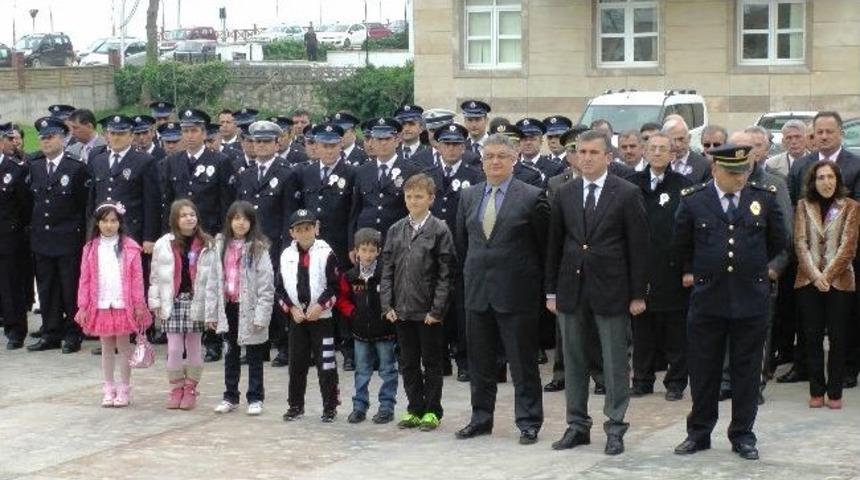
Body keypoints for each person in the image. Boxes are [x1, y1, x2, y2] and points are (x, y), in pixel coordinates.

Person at [673, 144, 786, 461]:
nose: (740, 178)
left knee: (746, 372)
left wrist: (767, 270)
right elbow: (680, 243)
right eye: (732, 173)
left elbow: (780, 242)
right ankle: (699, 433)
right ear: (715, 170)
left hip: (750, 300)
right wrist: (692, 272)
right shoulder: (695, 200)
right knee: (704, 371)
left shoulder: (763, 198)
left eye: (744, 172)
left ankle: (742, 435)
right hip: (708, 299)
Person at [545, 129, 648, 456]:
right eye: (580, 152)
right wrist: (551, 291)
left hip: (612, 290)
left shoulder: (627, 193)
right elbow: (554, 246)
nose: (585, 158)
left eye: (593, 152)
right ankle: (577, 425)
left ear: (608, 157)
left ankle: (615, 426)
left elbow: (639, 247)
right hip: (572, 289)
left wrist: (637, 294)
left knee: (614, 361)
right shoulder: (565, 192)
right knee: (573, 360)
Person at [454, 134, 549, 446]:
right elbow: (463, 244)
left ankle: (529, 421)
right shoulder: (469, 196)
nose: (495, 162)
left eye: (501, 157)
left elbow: (542, 248)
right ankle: (481, 418)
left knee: (522, 363)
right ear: (481, 162)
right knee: (480, 362)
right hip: (478, 292)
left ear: (514, 159)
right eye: (489, 156)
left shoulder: (532, 196)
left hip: (516, 294)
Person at [380, 173, 456, 432]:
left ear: (431, 199)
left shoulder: (439, 229)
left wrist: (437, 309)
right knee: (408, 363)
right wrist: (386, 305)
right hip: (401, 310)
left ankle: (433, 411)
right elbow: (387, 269)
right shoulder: (395, 229)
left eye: (419, 196)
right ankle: (414, 408)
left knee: (432, 362)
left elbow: (446, 273)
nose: (413, 201)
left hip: (427, 312)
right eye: (409, 196)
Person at [161, 109, 235, 362]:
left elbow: (226, 201)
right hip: (181, 235)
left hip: (209, 235)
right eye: (185, 131)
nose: (190, 136)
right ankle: (182, 336)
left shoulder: (220, 161)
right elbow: (168, 201)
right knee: (184, 285)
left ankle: (212, 340)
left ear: (204, 133)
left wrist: (223, 236)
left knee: (209, 286)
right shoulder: (172, 162)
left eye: (194, 131)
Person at [628, 132, 692, 401]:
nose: (657, 153)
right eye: (652, 148)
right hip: (641, 268)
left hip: (672, 269)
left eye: (662, 149)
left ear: (672, 154)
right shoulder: (631, 185)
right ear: (644, 152)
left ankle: (676, 382)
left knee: (675, 331)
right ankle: (642, 380)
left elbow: (691, 231)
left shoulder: (684, 186)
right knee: (642, 331)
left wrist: (689, 268)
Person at [794, 161, 859, 409]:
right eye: (821, 177)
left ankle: (835, 392)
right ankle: (816, 390)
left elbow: (848, 247)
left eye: (830, 177)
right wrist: (815, 275)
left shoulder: (851, 207)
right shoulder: (803, 205)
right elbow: (800, 243)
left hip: (840, 282)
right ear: (813, 181)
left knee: (838, 336)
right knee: (811, 336)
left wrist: (827, 276)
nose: (826, 182)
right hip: (808, 281)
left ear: (838, 180)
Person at [74, 203, 152, 407]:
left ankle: (124, 388)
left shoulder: (130, 247)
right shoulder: (90, 248)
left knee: (124, 346)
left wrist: (138, 304)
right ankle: (108, 388)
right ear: (97, 223)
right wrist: (83, 304)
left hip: (122, 304)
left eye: (113, 221)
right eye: (104, 221)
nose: (109, 225)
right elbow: (85, 278)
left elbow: (137, 278)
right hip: (100, 303)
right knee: (106, 347)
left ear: (120, 223)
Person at [425, 123, 486, 382]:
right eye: (446, 143)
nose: (451, 148)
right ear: (437, 146)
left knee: (462, 307)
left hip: (463, 249)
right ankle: (439, 360)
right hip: (432, 250)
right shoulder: (426, 175)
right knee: (436, 304)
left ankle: (463, 359)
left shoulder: (475, 175)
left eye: (456, 144)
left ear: (464, 147)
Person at [26, 117, 91, 354]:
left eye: (51, 137)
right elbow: (28, 204)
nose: (46, 141)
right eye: (42, 137)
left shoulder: (76, 168)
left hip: (68, 240)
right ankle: (51, 333)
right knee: (47, 288)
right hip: (42, 240)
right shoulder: (33, 166)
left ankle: (74, 333)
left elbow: (84, 207)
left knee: (70, 288)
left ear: (63, 139)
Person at [235, 120, 295, 367]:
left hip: (275, 244)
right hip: (250, 245)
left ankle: (282, 345)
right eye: (256, 141)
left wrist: (284, 251)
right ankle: (255, 347)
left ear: (277, 143)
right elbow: (240, 214)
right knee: (250, 295)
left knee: (276, 294)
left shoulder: (287, 173)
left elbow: (288, 214)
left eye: (266, 141)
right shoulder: (246, 175)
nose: (260, 146)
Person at [148, 199, 219, 410]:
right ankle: (176, 388)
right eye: (183, 215)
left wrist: (212, 307)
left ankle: (191, 388)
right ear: (175, 220)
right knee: (175, 348)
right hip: (173, 302)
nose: (189, 218)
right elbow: (155, 277)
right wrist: (156, 301)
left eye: (192, 214)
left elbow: (214, 278)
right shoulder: (164, 243)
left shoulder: (207, 243)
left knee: (195, 346)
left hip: (196, 302)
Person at [210, 201, 275, 416]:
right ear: (229, 221)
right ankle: (230, 396)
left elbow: (267, 286)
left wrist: (262, 315)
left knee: (255, 355)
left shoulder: (259, 248)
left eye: (245, 219)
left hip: (250, 308)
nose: (240, 223)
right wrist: (212, 312)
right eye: (236, 218)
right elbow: (212, 282)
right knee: (231, 353)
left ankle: (255, 397)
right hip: (228, 308)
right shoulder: (220, 246)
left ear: (252, 222)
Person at [280, 209, 341, 423]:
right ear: (292, 233)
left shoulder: (327, 253)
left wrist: (321, 306)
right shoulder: (286, 255)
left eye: (308, 228)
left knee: (326, 364)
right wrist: (291, 309)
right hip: (298, 320)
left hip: (321, 319)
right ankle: (295, 405)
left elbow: (335, 288)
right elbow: (280, 289)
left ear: (316, 228)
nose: (304, 233)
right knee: (296, 364)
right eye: (299, 229)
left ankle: (330, 406)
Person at [336, 228, 398, 425]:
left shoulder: (385, 274)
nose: (368, 255)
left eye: (372, 251)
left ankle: (387, 407)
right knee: (361, 371)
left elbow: (394, 295)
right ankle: (359, 407)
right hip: (360, 332)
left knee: (388, 370)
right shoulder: (351, 276)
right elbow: (342, 299)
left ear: (378, 251)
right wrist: (352, 314)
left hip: (385, 332)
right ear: (356, 251)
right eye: (364, 250)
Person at [0, 126, 32, 349]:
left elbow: (25, 206)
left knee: (11, 283)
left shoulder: (15, 169)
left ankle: (15, 330)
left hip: (8, 236)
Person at [664, 118, 711, 183]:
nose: (677, 145)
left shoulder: (704, 165)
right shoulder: (659, 163)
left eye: (681, 139)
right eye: (673, 140)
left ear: (689, 138)